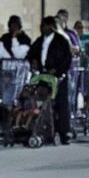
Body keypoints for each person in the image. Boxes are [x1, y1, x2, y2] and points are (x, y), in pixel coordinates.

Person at [28, 15, 73, 144]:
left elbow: (66, 59)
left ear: (50, 26)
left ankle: (64, 132)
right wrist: (34, 61)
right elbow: (31, 54)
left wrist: (57, 70)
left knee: (61, 104)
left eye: (44, 25)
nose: (41, 28)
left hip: (57, 77)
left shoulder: (61, 41)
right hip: (43, 76)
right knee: (43, 103)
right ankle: (44, 128)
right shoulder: (40, 41)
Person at [0, 15, 31, 105]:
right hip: (6, 72)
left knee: (16, 91)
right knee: (7, 92)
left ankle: (12, 107)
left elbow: (18, 54)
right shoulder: (4, 38)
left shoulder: (25, 40)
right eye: (11, 26)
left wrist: (14, 38)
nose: (13, 28)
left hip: (20, 72)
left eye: (15, 26)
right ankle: (7, 108)